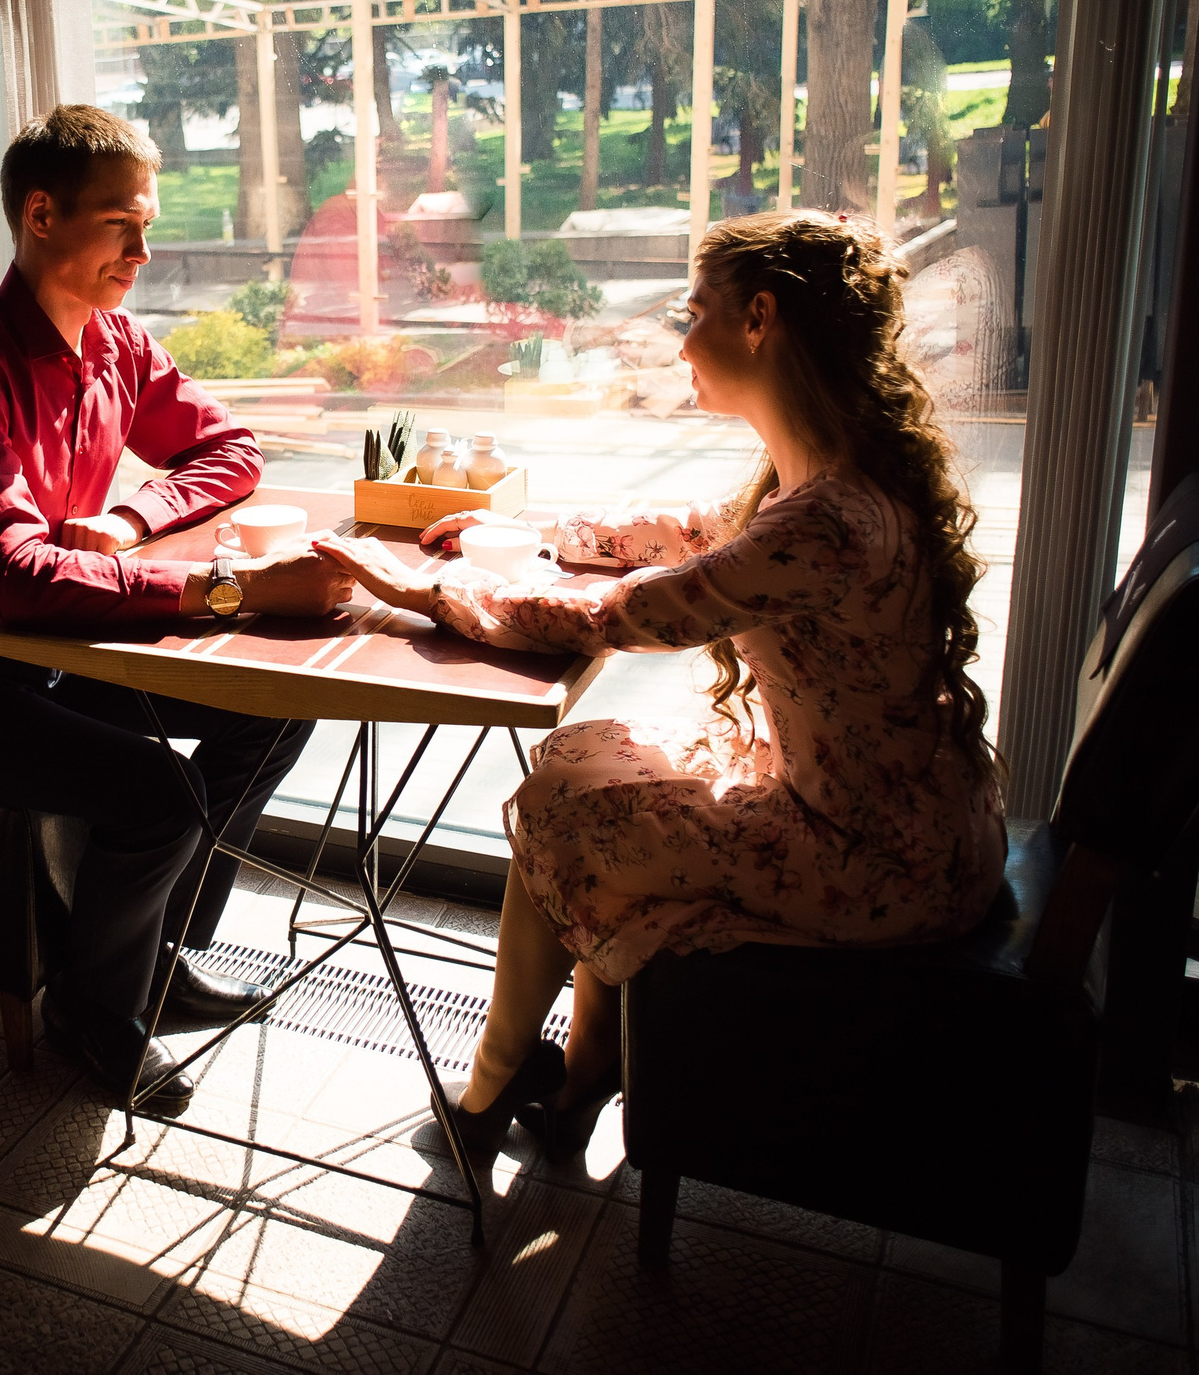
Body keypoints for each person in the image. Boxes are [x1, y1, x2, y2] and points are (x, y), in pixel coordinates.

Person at [313, 210, 1008, 1158]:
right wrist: (552, 533)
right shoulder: (831, 469)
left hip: (880, 858)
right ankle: (582, 1067)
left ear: (760, 317)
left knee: (561, 807)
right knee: (580, 763)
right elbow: (698, 535)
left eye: (697, 312)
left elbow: (626, 620)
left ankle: (501, 1086)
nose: (682, 340)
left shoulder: (831, 520)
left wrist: (437, 589)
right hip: (908, 819)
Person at [0, 104, 352, 1113]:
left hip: (51, 656)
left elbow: (232, 451)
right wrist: (240, 591)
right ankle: (99, 1009)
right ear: (41, 214)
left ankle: (158, 953)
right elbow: (16, 577)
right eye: (124, 223)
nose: (146, 246)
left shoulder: (119, 345)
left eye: (148, 221)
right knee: (155, 795)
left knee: (270, 713)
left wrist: (131, 514)